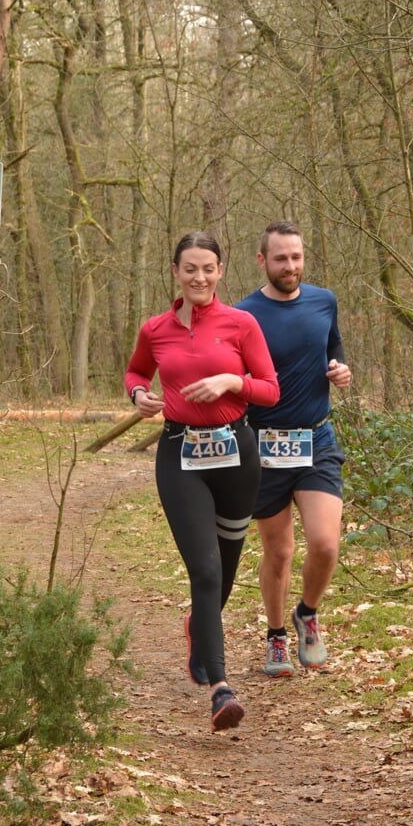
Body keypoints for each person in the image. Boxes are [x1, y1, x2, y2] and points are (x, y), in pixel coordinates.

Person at [125, 231, 280, 731]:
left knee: (225, 571)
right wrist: (138, 397)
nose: (200, 277)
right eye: (190, 268)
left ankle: (200, 626)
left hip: (237, 454)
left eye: (208, 268)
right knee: (206, 571)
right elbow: (135, 373)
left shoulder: (242, 324)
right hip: (180, 455)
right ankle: (220, 688)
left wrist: (232, 381)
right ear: (176, 272)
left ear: (221, 271)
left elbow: (270, 391)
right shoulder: (155, 329)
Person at [232, 222, 352, 678]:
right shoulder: (244, 315)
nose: (291, 266)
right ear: (262, 260)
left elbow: (333, 346)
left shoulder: (324, 300)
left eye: (297, 257)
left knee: (324, 543)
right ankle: (277, 637)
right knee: (279, 552)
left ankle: (308, 612)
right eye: (281, 258)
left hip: (316, 438)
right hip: (265, 446)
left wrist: (339, 369)